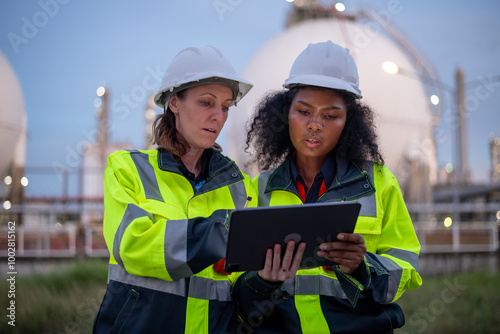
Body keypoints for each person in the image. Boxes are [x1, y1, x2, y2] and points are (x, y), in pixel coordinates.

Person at [231, 41, 422, 334]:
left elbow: (404, 270)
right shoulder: (260, 190)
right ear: (285, 113)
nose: (315, 125)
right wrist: (263, 281)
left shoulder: (379, 183)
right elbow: (240, 294)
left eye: (330, 115)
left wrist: (362, 266)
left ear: (349, 122)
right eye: (304, 111)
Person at [93, 45, 255, 333]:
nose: (218, 116)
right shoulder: (128, 169)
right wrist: (220, 233)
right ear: (174, 103)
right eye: (206, 103)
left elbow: (244, 286)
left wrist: (267, 281)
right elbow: (133, 246)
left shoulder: (241, 188)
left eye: (226, 106)